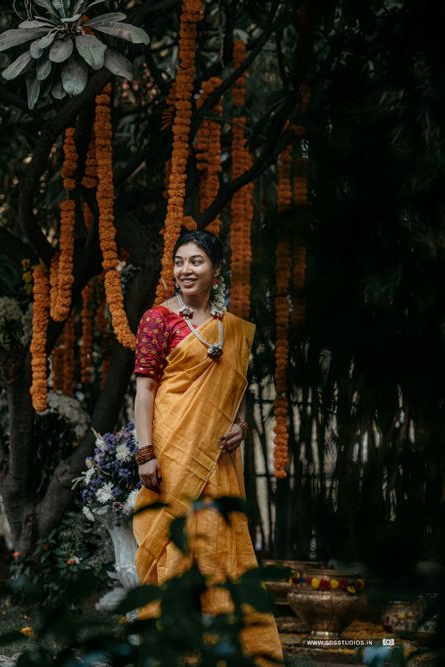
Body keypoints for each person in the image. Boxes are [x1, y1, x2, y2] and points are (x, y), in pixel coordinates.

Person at [130, 230, 283, 663]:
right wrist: (145, 453)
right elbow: (145, 391)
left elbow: (234, 396)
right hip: (171, 455)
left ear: (216, 271)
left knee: (218, 550)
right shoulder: (157, 319)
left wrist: (241, 426)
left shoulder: (230, 329)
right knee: (173, 549)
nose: (185, 270)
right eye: (179, 262)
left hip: (218, 460)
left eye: (196, 261)